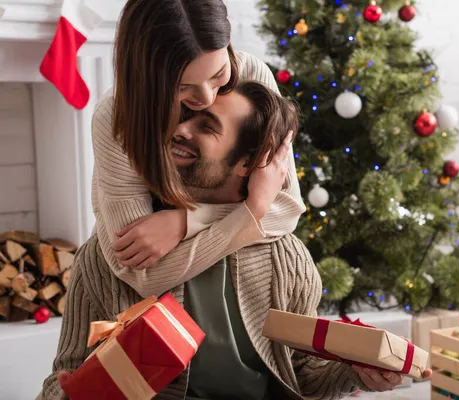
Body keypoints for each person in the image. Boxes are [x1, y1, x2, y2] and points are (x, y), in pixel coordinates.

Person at [40, 81, 431, 400]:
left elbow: (302, 374)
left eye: (206, 126)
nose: (179, 130)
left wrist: (355, 373)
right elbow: (63, 378)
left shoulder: (287, 259)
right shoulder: (112, 254)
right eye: (186, 116)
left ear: (249, 162)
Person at [92, 0, 305, 298]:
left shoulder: (250, 75)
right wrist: (252, 210)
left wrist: (186, 222)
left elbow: (286, 207)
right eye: (182, 87)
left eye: (218, 74)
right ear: (145, 79)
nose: (205, 96)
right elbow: (141, 274)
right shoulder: (116, 119)